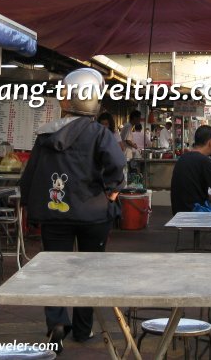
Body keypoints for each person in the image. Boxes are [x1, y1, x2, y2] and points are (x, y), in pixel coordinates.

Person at [20, 68, 126, 351]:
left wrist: (28, 205)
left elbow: (30, 175)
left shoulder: (45, 134)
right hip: (94, 214)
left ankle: (56, 321)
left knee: (54, 269)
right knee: (90, 271)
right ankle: (82, 329)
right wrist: (113, 190)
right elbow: (117, 164)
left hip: (56, 214)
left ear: (67, 98)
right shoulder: (100, 133)